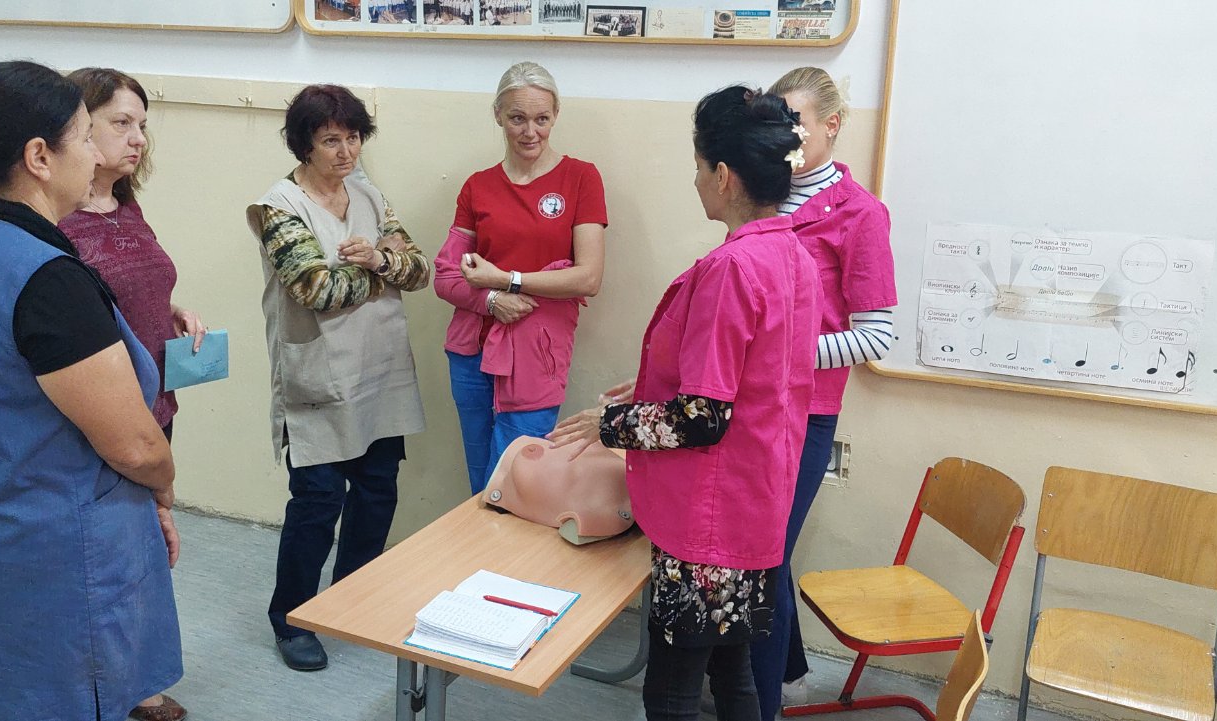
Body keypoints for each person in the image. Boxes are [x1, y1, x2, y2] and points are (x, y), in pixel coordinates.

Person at [0, 60, 183, 721]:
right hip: (56, 553)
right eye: (86, 137)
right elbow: (134, 444)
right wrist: (164, 482)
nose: (95, 155)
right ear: (40, 157)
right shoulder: (48, 280)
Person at [549, 85, 819, 721]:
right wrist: (652, 385)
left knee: (672, 690)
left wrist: (611, 425)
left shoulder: (732, 269)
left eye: (698, 167)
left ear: (723, 176)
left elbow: (702, 418)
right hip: (756, 497)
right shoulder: (793, 255)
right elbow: (755, 382)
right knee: (732, 671)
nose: (695, 180)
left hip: (709, 519)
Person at [248, 84, 430, 673]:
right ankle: (291, 618)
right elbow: (317, 289)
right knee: (318, 502)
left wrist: (379, 259)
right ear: (303, 143)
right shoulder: (278, 207)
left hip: (380, 370)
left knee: (377, 491)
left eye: (353, 137)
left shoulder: (369, 194)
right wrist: (383, 268)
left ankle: (353, 596)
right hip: (318, 378)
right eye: (331, 140)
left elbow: (419, 270)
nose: (346, 151)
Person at [53, 66, 200, 721]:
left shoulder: (126, 204)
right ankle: (104, 685)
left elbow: (134, 288)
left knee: (144, 547)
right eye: (121, 123)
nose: (138, 137)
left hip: (154, 402)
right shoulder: (55, 223)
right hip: (101, 411)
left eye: (142, 124)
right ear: (77, 128)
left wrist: (172, 312)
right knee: (105, 556)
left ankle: (135, 678)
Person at [751, 66, 899, 717]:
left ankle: (761, 703)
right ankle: (787, 676)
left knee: (761, 560)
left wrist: (782, 356)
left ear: (832, 124)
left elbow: (876, 335)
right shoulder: (762, 193)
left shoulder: (860, 214)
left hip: (803, 414)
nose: (782, 136)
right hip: (747, 406)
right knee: (762, 550)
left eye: (796, 122)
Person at [434, 61, 608, 495]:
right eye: (517, 118)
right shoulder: (478, 186)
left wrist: (506, 280)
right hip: (471, 353)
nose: (531, 132)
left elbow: (588, 278)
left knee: (514, 484)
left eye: (541, 119)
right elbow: (446, 276)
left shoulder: (581, 178)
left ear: (556, 115)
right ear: (498, 115)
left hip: (536, 355)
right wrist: (491, 300)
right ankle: (475, 544)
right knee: (480, 483)